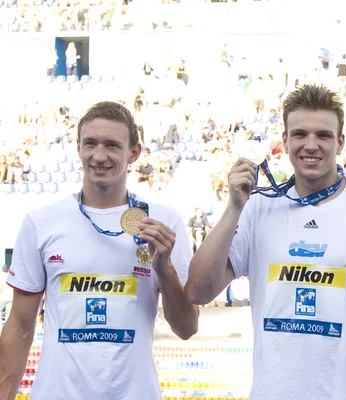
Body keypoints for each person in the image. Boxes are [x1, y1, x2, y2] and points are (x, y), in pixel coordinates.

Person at [186, 84, 346, 399]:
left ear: (340, 142)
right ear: (285, 141)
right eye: (300, 134)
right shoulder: (257, 206)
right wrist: (234, 207)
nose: (311, 145)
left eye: (324, 136)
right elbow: (198, 290)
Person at [0, 101, 199, 400]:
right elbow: (19, 324)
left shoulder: (163, 222)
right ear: (78, 147)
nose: (99, 156)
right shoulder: (41, 222)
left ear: (134, 153)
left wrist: (164, 268)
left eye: (112, 145)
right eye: (90, 143)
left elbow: (186, 327)